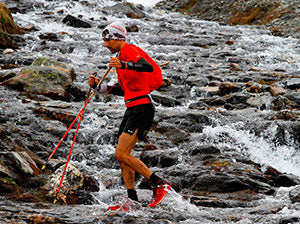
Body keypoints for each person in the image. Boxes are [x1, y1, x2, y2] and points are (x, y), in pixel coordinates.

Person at [89, 22, 171, 210]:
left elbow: (147, 67)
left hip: (142, 107)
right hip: (132, 106)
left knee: (122, 153)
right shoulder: (120, 57)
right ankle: (132, 200)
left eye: (108, 40)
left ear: (118, 38)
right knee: (122, 156)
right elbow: (122, 89)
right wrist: (98, 87)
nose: (106, 45)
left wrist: (124, 63)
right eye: (104, 40)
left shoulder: (130, 50)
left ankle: (160, 183)